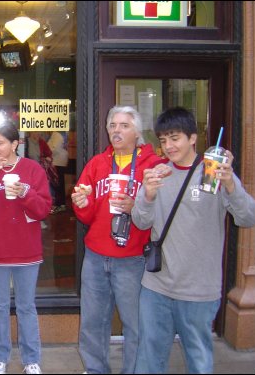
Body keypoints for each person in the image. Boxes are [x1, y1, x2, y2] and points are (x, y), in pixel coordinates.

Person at [131, 107, 255, 374]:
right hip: (156, 287)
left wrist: (231, 187)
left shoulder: (213, 173)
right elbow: (141, 222)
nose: (168, 146)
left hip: (198, 290)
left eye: (174, 138)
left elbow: (248, 217)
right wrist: (148, 196)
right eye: (163, 140)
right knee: (148, 359)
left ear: (192, 138)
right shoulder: (158, 173)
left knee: (199, 361)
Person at [71, 106, 164, 374]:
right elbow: (87, 216)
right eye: (112, 125)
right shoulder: (97, 164)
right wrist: (82, 202)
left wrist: (136, 205)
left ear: (137, 131)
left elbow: (161, 213)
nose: (116, 131)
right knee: (92, 322)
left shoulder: (153, 166)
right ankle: (95, 369)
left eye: (124, 125)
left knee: (135, 325)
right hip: (96, 257)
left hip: (133, 259)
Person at [0, 123, 52, 375]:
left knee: (27, 306)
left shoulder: (32, 169)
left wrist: (25, 192)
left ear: (15, 144)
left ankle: (31, 359)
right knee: (0, 306)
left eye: (1, 142)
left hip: (27, 249)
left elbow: (43, 209)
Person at [46, 131, 69, 213]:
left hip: (57, 161)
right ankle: (61, 204)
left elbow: (54, 148)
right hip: (61, 161)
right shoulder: (64, 133)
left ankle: (59, 204)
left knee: (57, 183)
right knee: (60, 184)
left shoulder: (57, 134)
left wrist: (46, 153)